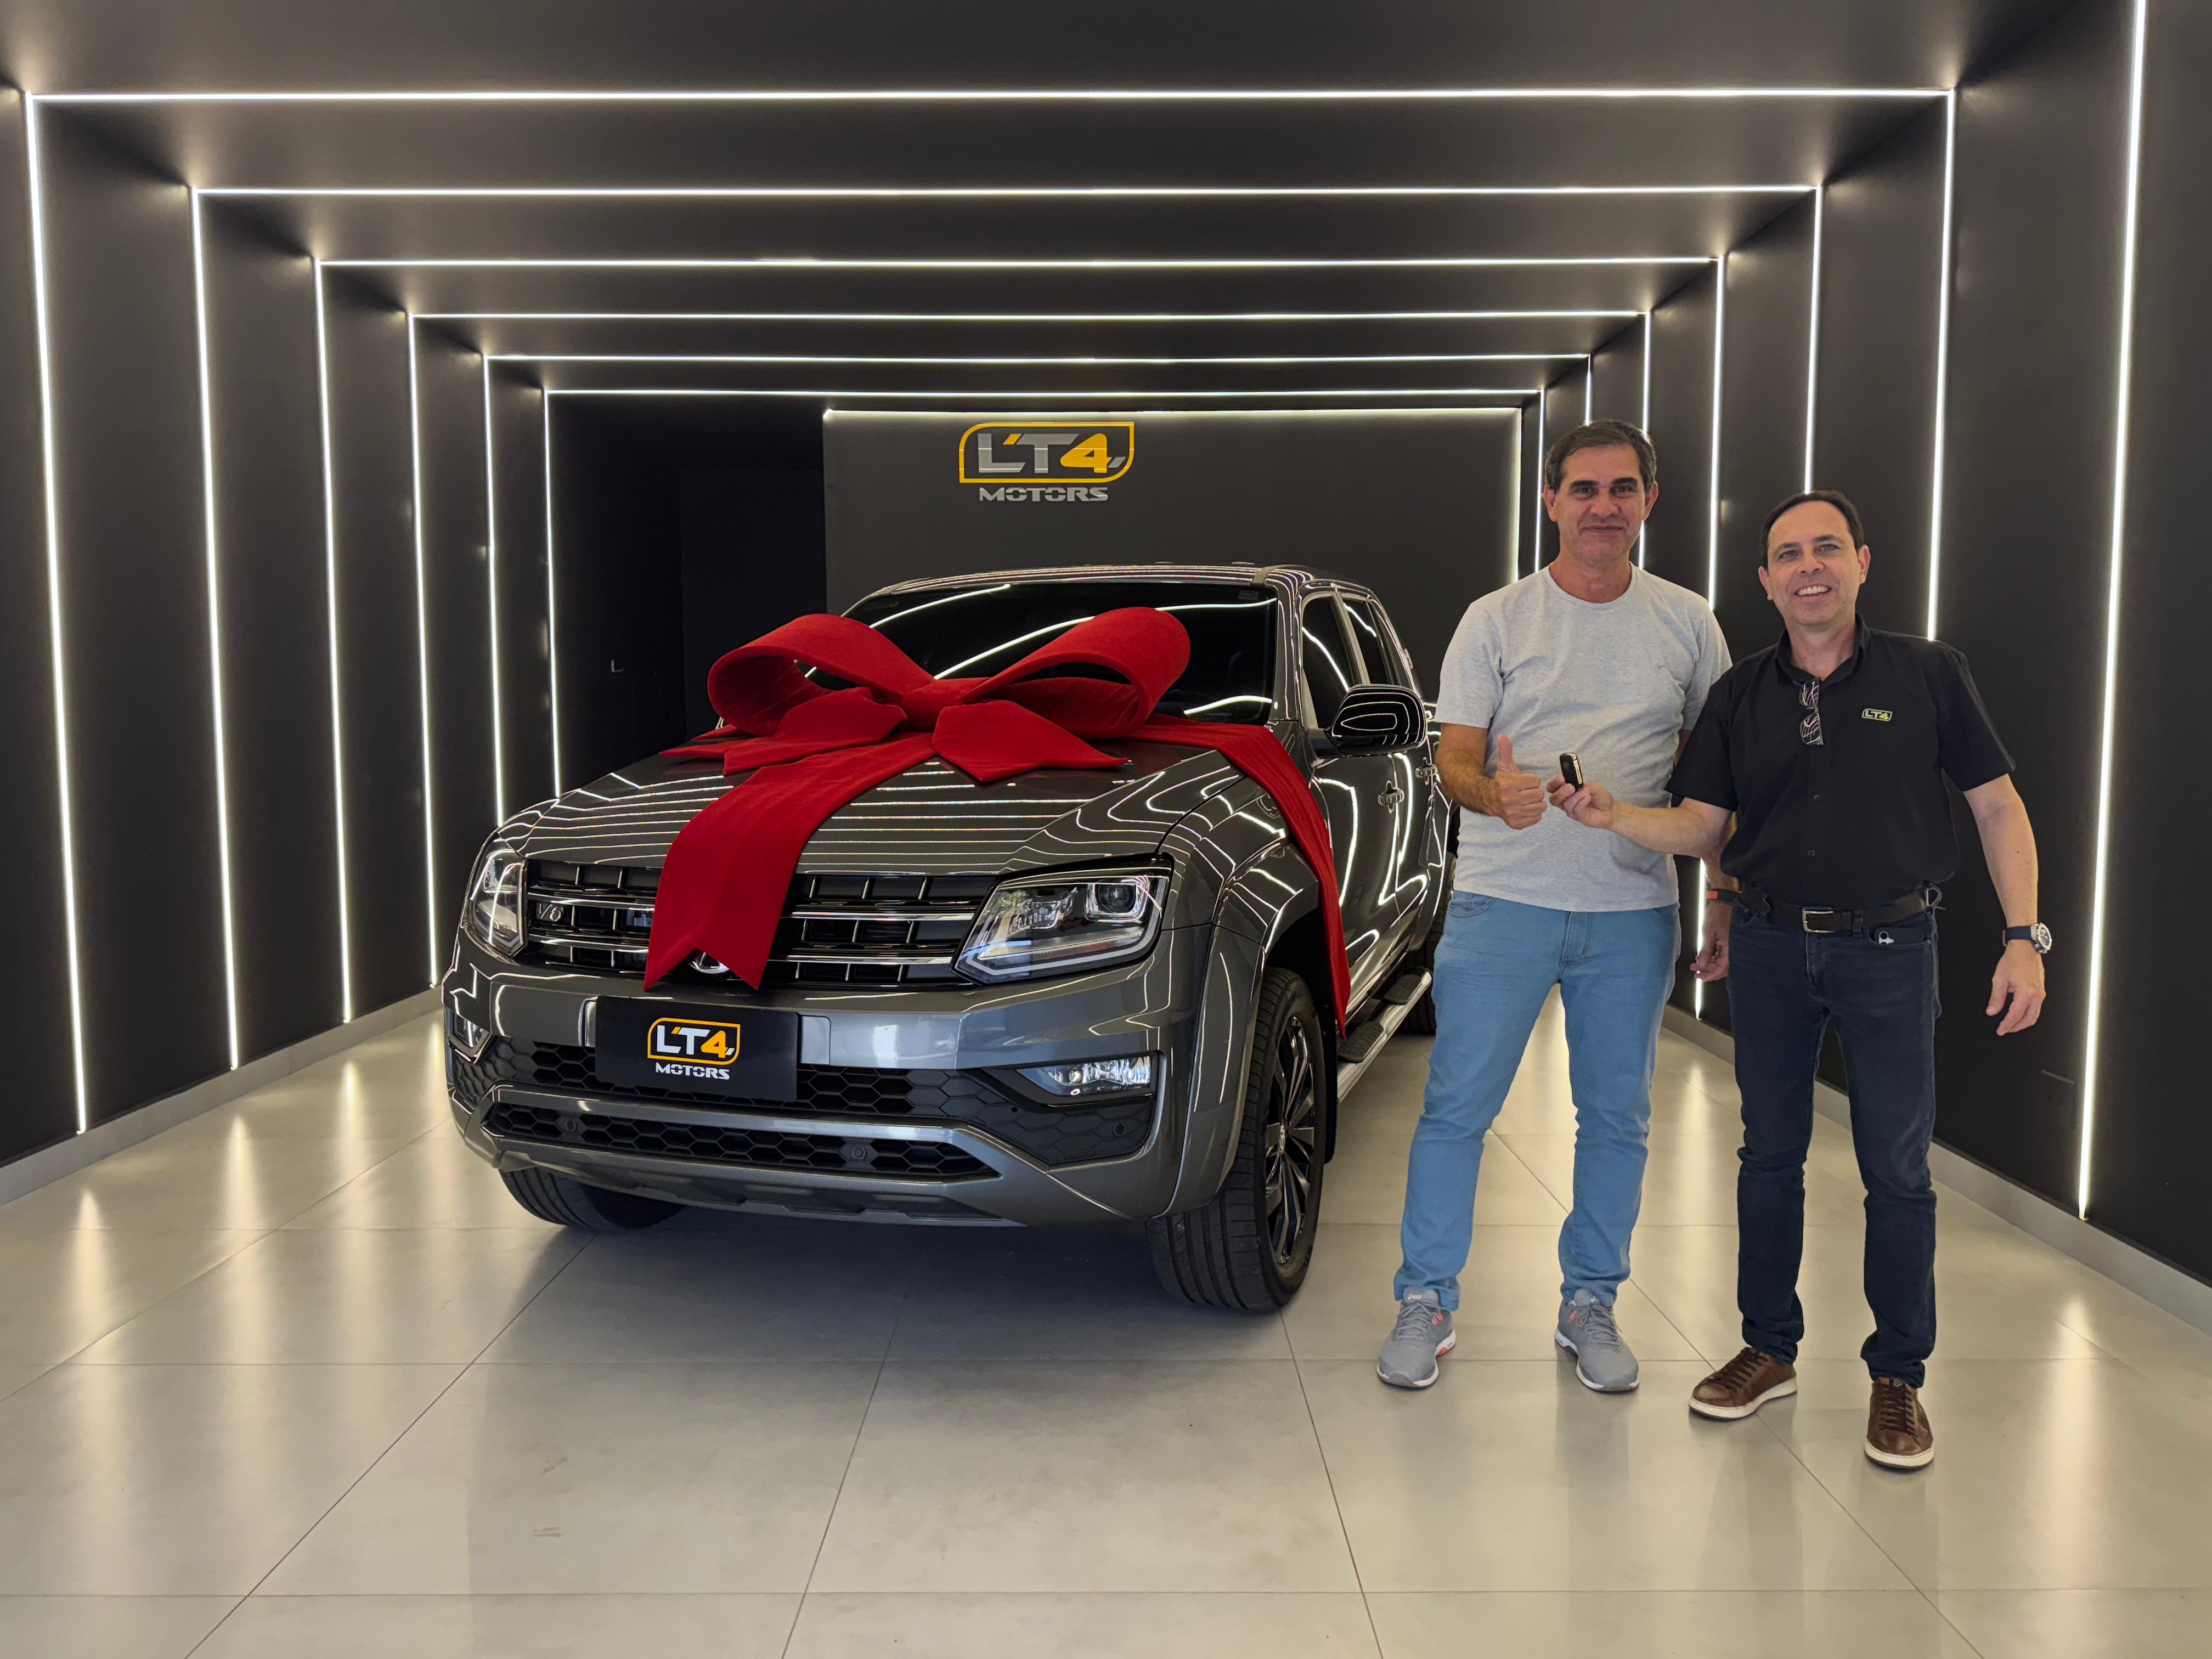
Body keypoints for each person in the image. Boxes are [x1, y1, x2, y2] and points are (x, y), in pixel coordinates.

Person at [1547, 488, 2046, 1469]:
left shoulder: (1929, 673)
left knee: (1896, 1170)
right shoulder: (1741, 694)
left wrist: (2025, 936)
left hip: (1892, 949)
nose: (1808, 567)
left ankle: (1897, 1377)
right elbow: (1705, 825)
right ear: (1766, 581)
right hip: (1772, 948)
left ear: (1863, 562)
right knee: (1768, 1156)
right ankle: (1768, 1348)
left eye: (1827, 548)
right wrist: (1615, 819)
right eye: (1788, 554)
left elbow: (1998, 807)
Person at [1378, 419, 1733, 1394]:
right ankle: (1426, 1298)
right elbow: (1453, 759)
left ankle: (1591, 1303)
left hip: (1633, 913)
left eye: (1622, 489)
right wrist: (1496, 795)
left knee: (1616, 1119)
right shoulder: (1496, 620)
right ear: (1551, 502)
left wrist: (1723, 896)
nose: (1603, 507)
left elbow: (1717, 782)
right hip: (1503, 905)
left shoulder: (1689, 624)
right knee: (1456, 1111)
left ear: (1649, 501)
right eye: (1583, 489)